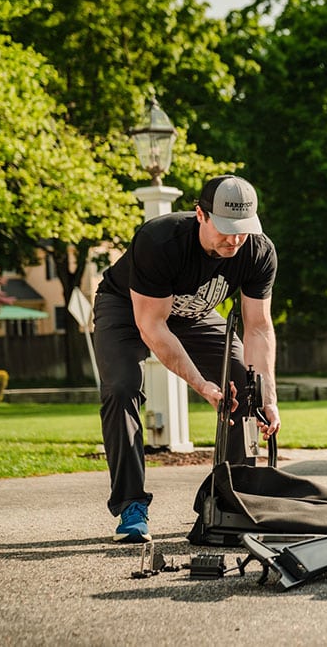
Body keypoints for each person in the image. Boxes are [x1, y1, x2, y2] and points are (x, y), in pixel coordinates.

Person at [93, 174, 281, 543]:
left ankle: (234, 502)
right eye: (225, 229)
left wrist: (268, 397)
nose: (234, 239)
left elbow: (258, 327)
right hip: (128, 309)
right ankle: (131, 505)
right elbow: (153, 327)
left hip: (192, 313)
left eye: (242, 229)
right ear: (201, 215)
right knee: (121, 387)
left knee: (245, 387)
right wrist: (202, 385)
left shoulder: (258, 251)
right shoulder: (159, 241)